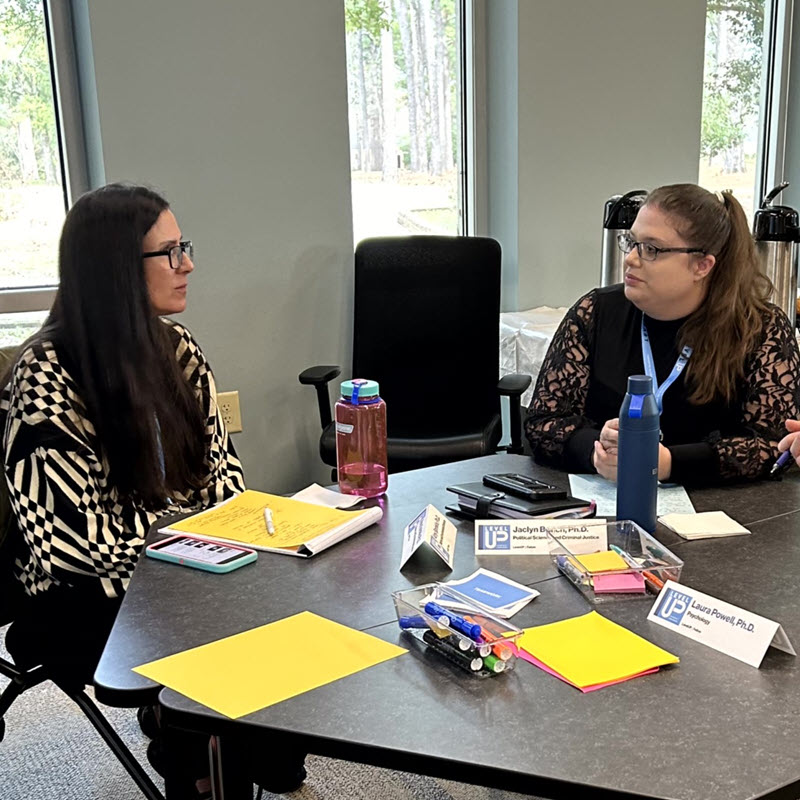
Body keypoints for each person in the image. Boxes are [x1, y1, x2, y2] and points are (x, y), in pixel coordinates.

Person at [0, 184, 304, 797]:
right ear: (116, 271)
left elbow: (226, 477)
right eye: (169, 252)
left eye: (183, 247)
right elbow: (74, 545)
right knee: (211, 657)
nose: (187, 264)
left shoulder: (179, 352)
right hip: (80, 597)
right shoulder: (43, 378)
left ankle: (245, 747)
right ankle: (198, 762)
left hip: (185, 568)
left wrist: (219, 543)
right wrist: (192, 545)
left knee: (291, 600)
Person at [526, 183, 800, 486]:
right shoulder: (595, 312)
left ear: (702, 265)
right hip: (604, 501)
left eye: (651, 249)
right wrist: (596, 450)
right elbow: (543, 423)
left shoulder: (760, 329)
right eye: (631, 242)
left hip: (718, 513)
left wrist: (669, 463)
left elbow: (773, 445)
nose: (631, 258)